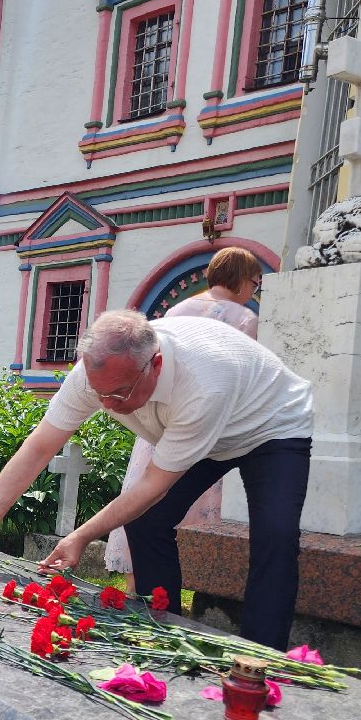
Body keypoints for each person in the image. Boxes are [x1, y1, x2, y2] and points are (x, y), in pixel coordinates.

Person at [0, 308, 313, 651]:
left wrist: (81, 536)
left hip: (271, 426)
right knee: (145, 523)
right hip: (200, 432)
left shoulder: (203, 382)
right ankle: (165, 630)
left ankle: (260, 661)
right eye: (101, 395)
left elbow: (151, 487)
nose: (108, 405)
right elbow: (40, 447)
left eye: (119, 393)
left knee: (276, 535)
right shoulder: (95, 376)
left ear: (155, 365)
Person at [104, 248, 264, 586]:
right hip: (206, 425)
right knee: (193, 504)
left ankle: (138, 589)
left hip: (163, 420)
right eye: (254, 282)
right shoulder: (246, 320)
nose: (255, 290)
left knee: (147, 501)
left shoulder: (178, 309)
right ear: (240, 278)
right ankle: (197, 581)